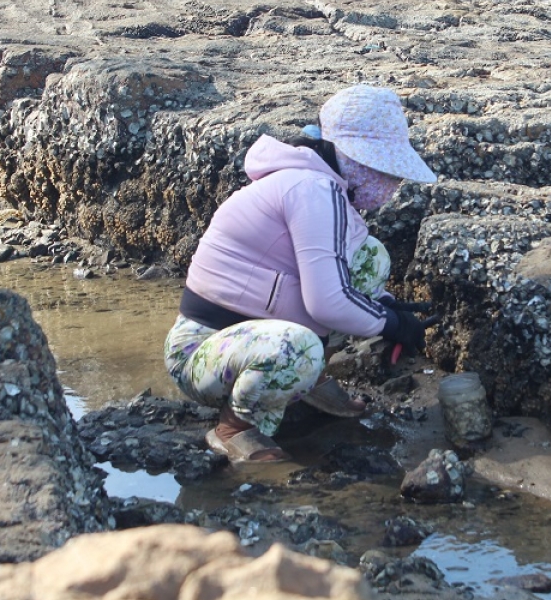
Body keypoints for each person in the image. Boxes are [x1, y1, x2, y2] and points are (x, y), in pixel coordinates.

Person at [164, 85, 439, 463]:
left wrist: (385, 306)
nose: (389, 186)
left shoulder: (320, 185)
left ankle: (311, 379)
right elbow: (327, 302)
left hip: (252, 334)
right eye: (380, 170)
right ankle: (234, 427)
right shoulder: (312, 189)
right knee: (300, 348)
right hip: (202, 353)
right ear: (350, 157)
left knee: (370, 257)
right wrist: (390, 323)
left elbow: (335, 276)